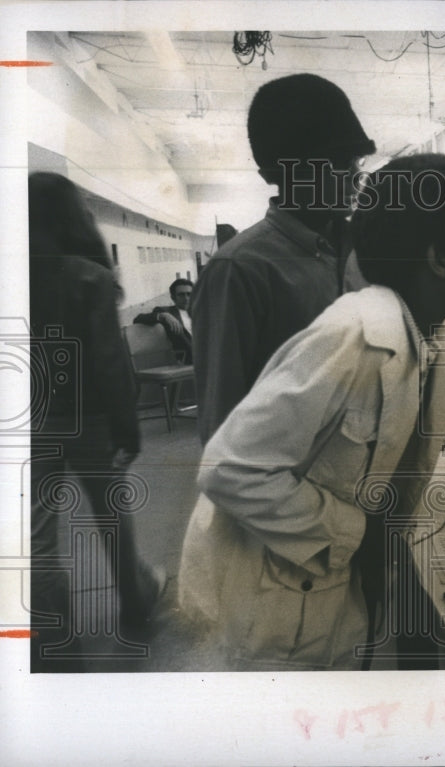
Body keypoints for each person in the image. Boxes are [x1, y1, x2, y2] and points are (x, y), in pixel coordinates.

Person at [179, 153, 445, 671]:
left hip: (328, 595)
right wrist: (355, 531)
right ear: (438, 258)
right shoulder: (354, 336)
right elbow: (231, 470)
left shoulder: (429, 329)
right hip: (274, 615)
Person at [190, 73, 376, 445]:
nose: (355, 177)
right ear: (283, 173)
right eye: (338, 162)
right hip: (287, 488)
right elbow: (221, 423)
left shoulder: (365, 251)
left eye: (355, 161)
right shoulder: (240, 270)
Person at [28, 172, 165, 671]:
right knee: (110, 517)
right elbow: (110, 362)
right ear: (72, 217)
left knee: (38, 535)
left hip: (31, 421)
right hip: (90, 420)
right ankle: (135, 603)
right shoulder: (89, 277)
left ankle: (51, 639)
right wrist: (129, 430)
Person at [133, 278, 194, 363]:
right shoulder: (166, 311)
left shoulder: (203, 312)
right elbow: (138, 319)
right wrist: (162, 315)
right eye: (181, 295)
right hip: (189, 359)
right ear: (173, 297)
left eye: (189, 294)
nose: (186, 298)